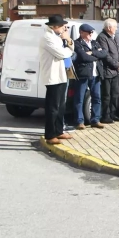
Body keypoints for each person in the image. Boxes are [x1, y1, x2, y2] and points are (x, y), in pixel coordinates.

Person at [41, 15, 75, 145]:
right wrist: (68, 48)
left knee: (61, 105)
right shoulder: (47, 37)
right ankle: (50, 135)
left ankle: (59, 130)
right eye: (62, 26)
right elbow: (62, 54)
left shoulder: (57, 37)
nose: (64, 29)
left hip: (61, 74)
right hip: (53, 76)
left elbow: (69, 50)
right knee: (53, 107)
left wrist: (68, 40)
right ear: (55, 26)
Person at [70, 23, 106, 129]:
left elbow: (104, 53)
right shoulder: (77, 43)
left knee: (97, 97)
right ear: (81, 33)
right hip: (83, 74)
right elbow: (83, 57)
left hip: (96, 74)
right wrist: (96, 55)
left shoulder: (95, 43)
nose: (91, 34)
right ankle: (79, 121)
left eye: (92, 32)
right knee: (79, 98)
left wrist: (92, 53)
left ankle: (95, 120)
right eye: (89, 32)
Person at [95, 18, 119, 124]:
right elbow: (105, 55)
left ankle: (113, 113)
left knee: (115, 93)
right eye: (115, 27)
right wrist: (116, 65)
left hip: (116, 71)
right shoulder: (102, 37)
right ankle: (105, 116)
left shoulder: (115, 37)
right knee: (106, 95)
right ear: (109, 27)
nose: (116, 29)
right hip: (107, 71)